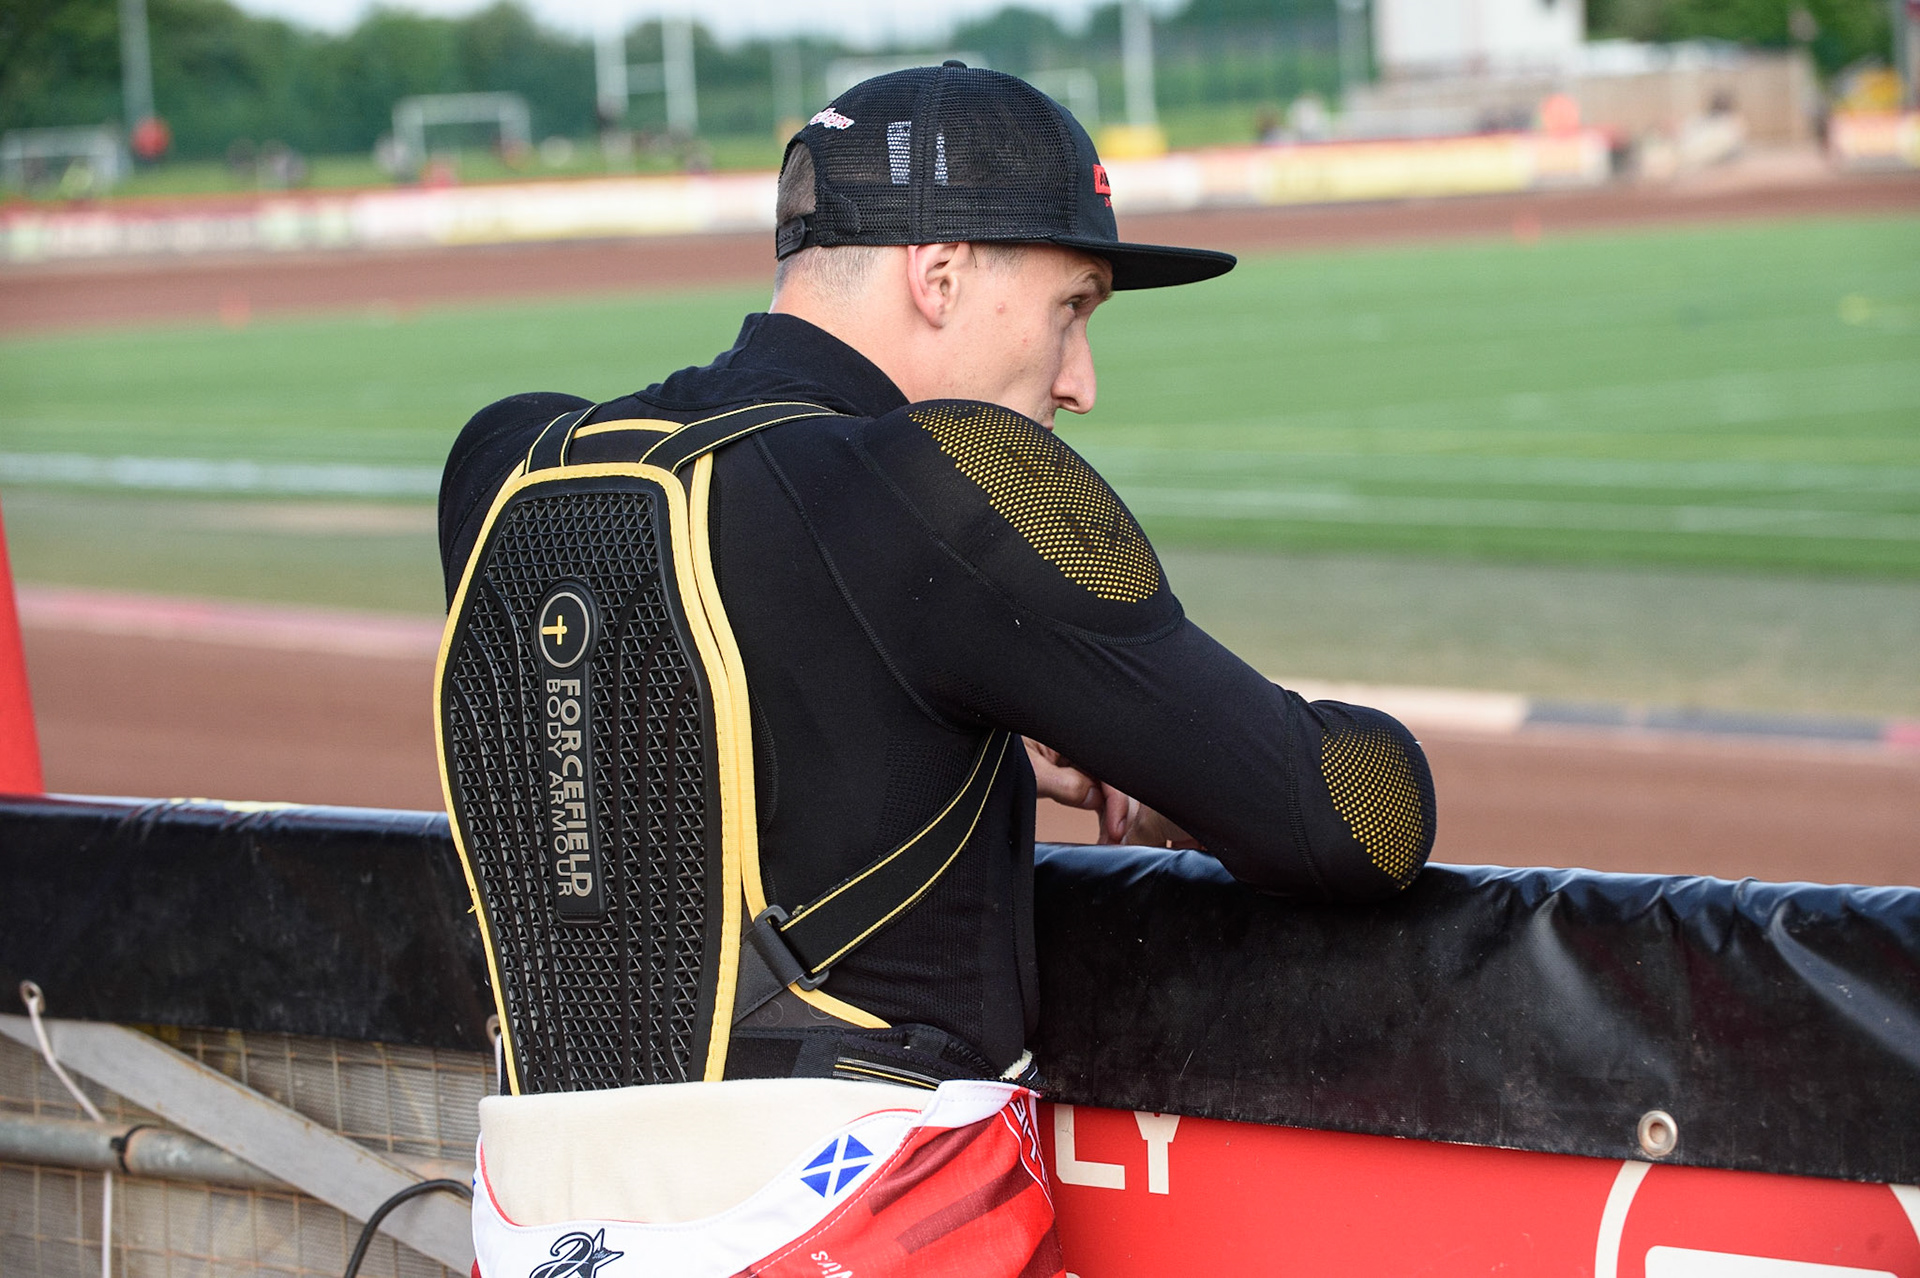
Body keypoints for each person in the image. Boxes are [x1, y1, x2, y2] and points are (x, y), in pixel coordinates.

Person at [441, 63, 1434, 1278]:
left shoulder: (518, 469)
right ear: (941, 272)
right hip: (856, 1226)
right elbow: (1357, 821)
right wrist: (1151, 759)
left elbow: (729, 717)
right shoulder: (940, 487)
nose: (1080, 382)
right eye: (1073, 308)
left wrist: (951, 714)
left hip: (534, 1233)